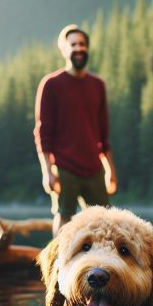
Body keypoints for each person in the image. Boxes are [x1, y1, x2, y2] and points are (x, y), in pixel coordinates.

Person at [34, 24, 118, 236]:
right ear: (64, 49)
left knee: (104, 221)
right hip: (65, 167)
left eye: (82, 44)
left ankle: (99, 265)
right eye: (73, 45)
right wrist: (47, 172)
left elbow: (103, 134)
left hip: (94, 167)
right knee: (65, 216)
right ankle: (59, 267)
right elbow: (43, 133)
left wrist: (110, 170)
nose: (78, 48)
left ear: (87, 49)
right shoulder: (51, 84)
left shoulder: (97, 85)